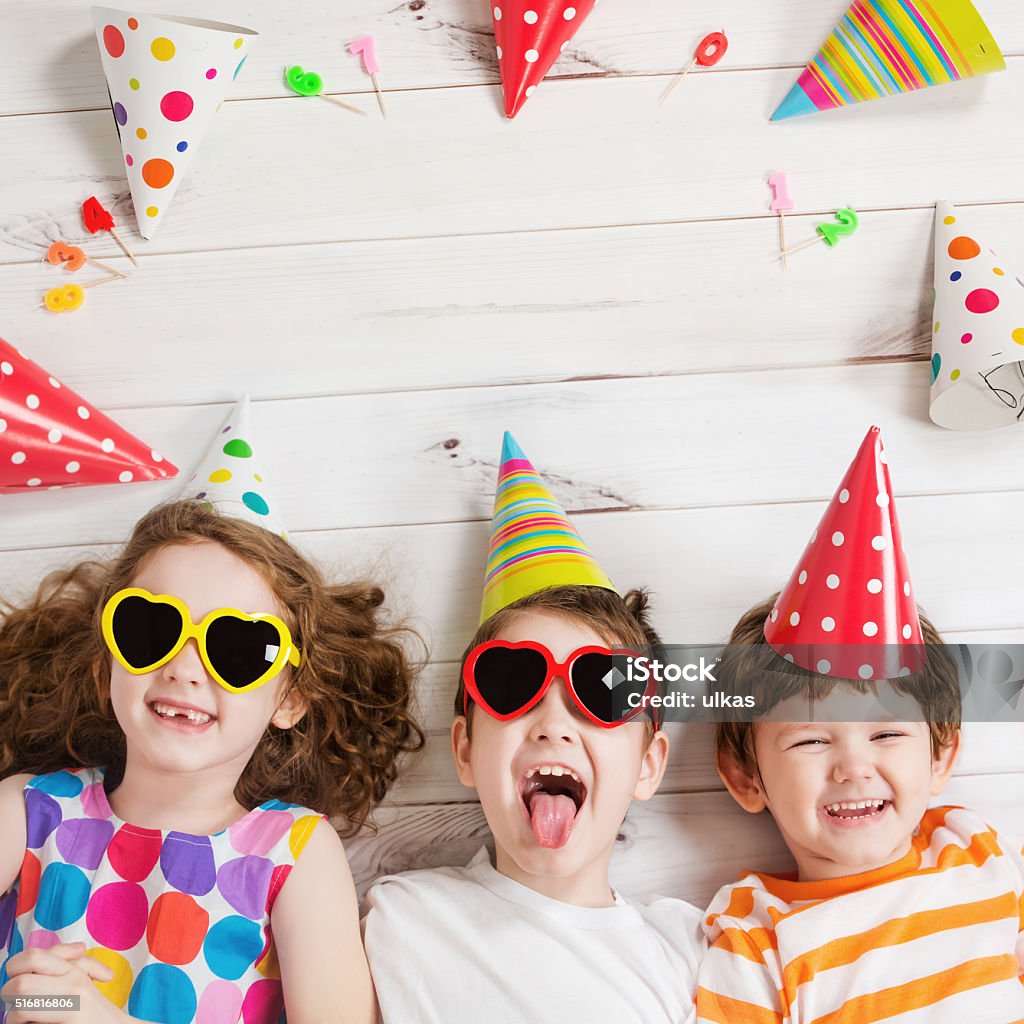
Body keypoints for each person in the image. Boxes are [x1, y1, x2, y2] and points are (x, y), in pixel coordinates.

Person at [0, 400, 423, 1024]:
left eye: (237, 648)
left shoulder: (295, 855)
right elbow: (27, 1001)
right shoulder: (28, 812)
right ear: (104, 664)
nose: (185, 668)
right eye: (150, 630)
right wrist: (46, 995)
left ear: (290, 697)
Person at [363, 433, 704, 1023]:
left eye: (601, 693)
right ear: (465, 750)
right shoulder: (403, 919)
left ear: (648, 764)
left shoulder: (689, 950)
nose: (553, 725)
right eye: (513, 684)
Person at [696, 427, 1024, 1023]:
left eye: (887, 733)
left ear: (942, 755)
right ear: (747, 777)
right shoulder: (754, 935)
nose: (852, 767)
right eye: (813, 739)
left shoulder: (977, 852)